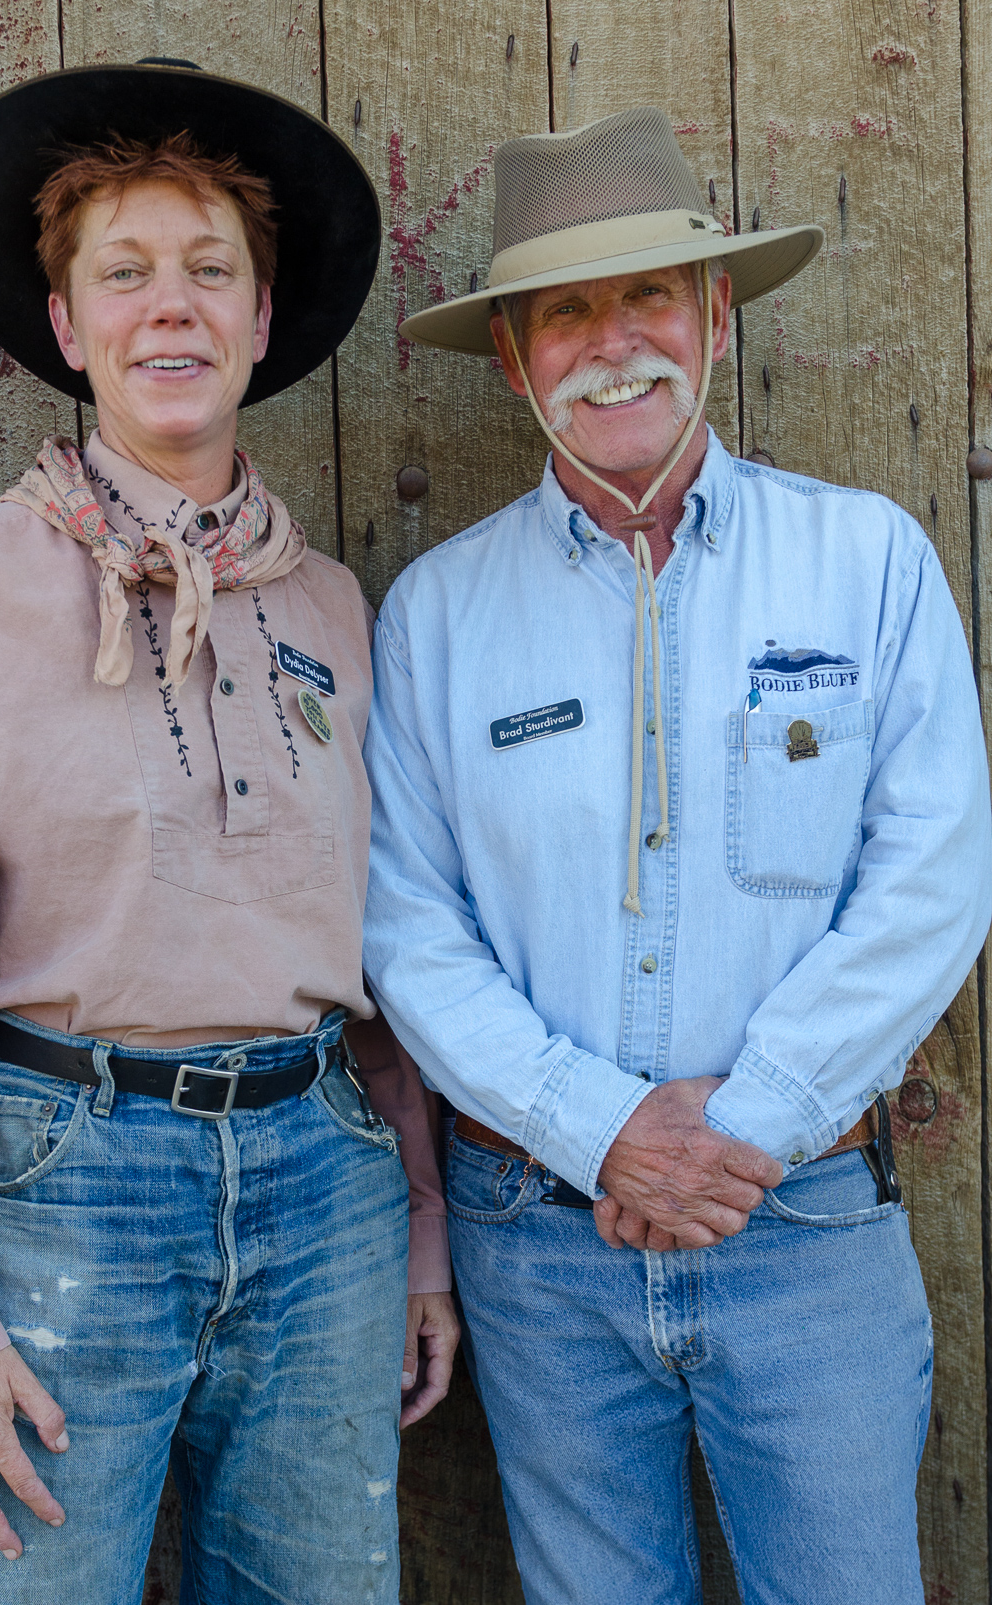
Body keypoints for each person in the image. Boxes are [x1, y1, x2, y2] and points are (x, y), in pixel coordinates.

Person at [0, 59, 458, 1605]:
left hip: (323, 1189)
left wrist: (420, 1233)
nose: (167, 307)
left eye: (207, 271)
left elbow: (375, 944)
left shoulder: (327, 607)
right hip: (60, 1184)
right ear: (68, 328)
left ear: (256, 319)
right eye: (124, 272)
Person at [361, 104, 991, 1604]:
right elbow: (404, 922)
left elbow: (932, 873)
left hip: (807, 1218)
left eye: (645, 295)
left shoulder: (865, 560)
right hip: (539, 1246)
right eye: (562, 313)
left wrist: (750, 1117)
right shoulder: (437, 616)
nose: (610, 342)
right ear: (512, 361)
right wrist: (596, 1124)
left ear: (713, 315)